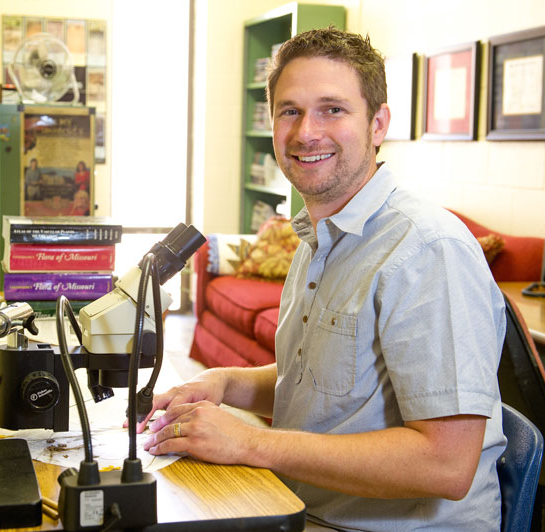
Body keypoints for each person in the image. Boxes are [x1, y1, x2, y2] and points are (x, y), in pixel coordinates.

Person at [140, 28, 506, 531]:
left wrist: (249, 442)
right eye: (289, 110)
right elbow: (326, 387)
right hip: (303, 505)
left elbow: (446, 464)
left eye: (332, 109)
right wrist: (223, 383)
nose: (306, 132)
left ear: (378, 124)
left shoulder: (427, 250)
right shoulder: (321, 236)